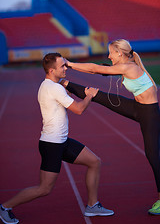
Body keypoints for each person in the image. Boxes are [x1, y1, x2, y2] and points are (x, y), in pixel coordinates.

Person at [0, 53, 114, 224]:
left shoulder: (49, 85)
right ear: (52, 70)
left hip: (61, 141)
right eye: (62, 66)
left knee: (94, 162)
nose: (65, 68)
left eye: (65, 65)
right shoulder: (54, 88)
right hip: (52, 145)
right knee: (44, 188)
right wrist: (90, 95)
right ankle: (5, 207)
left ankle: (92, 205)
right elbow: (78, 109)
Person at [61, 39, 160, 215]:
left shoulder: (128, 67)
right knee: (99, 96)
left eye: (111, 53)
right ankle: (65, 84)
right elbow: (102, 68)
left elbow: (95, 69)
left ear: (119, 53)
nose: (109, 55)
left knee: (153, 155)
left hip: (149, 114)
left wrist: (68, 64)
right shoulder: (126, 65)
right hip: (137, 107)